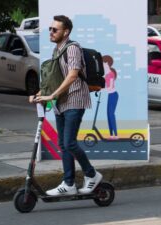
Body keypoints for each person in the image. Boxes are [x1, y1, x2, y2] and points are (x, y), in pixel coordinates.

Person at [33, 15, 102, 196]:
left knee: (69, 143)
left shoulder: (72, 48)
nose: (51, 32)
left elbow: (72, 75)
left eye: (55, 30)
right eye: (50, 29)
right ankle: (69, 183)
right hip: (61, 102)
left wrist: (53, 95)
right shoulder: (57, 50)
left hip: (74, 99)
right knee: (63, 144)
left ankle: (92, 174)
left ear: (66, 32)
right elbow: (55, 78)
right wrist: (39, 94)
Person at [103, 55, 119, 139]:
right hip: (110, 95)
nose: (103, 66)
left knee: (111, 114)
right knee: (108, 114)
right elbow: (105, 86)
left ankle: (116, 134)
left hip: (113, 95)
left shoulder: (111, 74)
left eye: (104, 64)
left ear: (107, 64)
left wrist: (103, 88)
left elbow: (110, 86)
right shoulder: (106, 76)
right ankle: (111, 134)